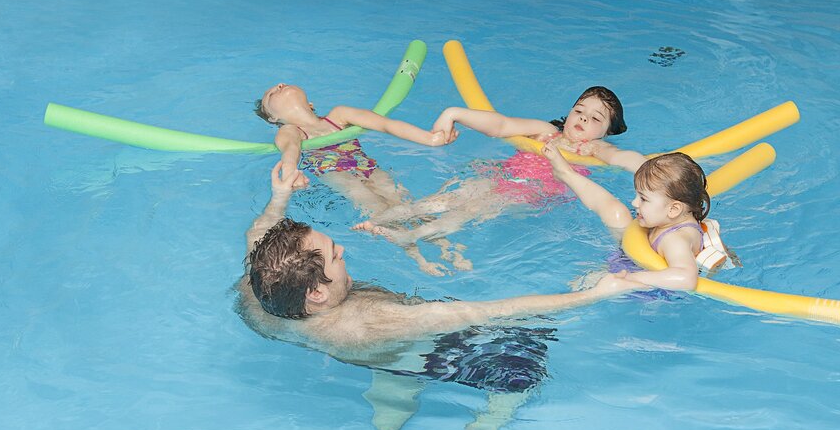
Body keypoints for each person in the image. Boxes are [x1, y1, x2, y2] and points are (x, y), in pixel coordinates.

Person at [236, 162, 637, 430]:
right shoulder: (374, 322)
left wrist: (279, 196)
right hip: (408, 346)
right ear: (317, 292)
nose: (341, 248)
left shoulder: (259, 292)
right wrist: (591, 294)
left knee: (393, 370)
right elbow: (485, 312)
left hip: (369, 353)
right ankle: (485, 428)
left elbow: (259, 237)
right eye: (334, 254)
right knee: (525, 355)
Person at [352, 86, 647, 245]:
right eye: (579, 111)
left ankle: (407, 237)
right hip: (500, 177)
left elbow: (626, 159)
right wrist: (453, 113)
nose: (583, 119)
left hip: (527, 194)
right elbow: (501, 124)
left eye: (595, 119)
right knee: (445, 199)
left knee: (469, 211)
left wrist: (651, 168)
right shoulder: (544, 131)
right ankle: (380, 220)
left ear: (608, 131)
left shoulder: (594, 149)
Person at [256, 82, 467, 275]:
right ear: (274, 118)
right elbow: (291, 151)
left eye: (281, 85)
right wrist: (291, 174)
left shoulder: (339, 115)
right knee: (380, 210)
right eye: (270, 93)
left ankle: (447, 247)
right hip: (338, 175)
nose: (279, 85)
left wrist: (429, 139)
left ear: (310, 104)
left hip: (368, 168)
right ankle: (419, 258)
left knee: (403, 204)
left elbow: (385, 125)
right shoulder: (290, 130)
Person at [544, 144, 723, 292]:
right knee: (614, 210)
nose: (635, 202)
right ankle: (566, 174)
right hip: (636, 256)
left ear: (674, 209)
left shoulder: (675, 240)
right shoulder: (673, 218)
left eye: (643, 199)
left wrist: (627, 278)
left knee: (582, 285)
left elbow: (686, 278)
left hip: (646, 288)